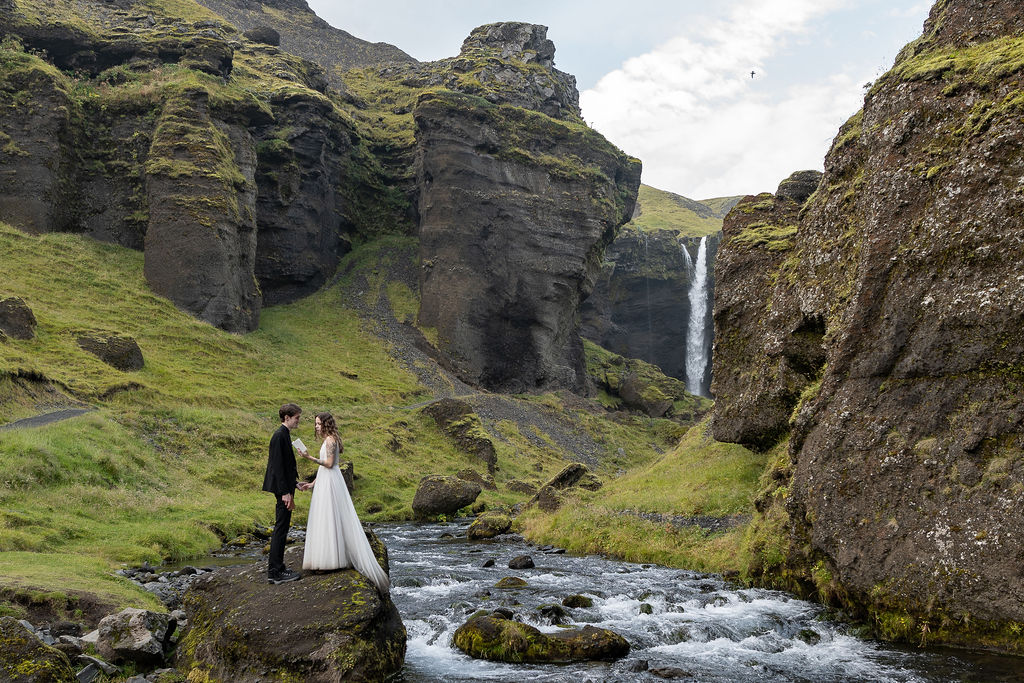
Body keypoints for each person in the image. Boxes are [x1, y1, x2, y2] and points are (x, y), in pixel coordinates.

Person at [299, 412, 390, 593]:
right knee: (324, 517)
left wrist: (308, 457)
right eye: (315, 424)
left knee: (330, 516)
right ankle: (322, 558)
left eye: (318, 424)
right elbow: (323, 467)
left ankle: (331, 560)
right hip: (325, 480)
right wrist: (312, 484)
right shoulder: (327, 440)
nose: (316, 426)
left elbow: (330, 464)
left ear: (326, 424)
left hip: (332, 482)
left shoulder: (331, 440)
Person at [263, 402, 307, 585]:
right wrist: (285, 492)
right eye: (297, 418)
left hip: (286, 488)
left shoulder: (283, 435)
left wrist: (294, 484)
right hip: (283, 491)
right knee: (281, 529)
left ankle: (279, 568)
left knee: (283, 527)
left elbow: (286, 468)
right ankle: (274, 572)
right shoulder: (279, 436)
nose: (298, 421)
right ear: (287, 417)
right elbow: (278, 468)